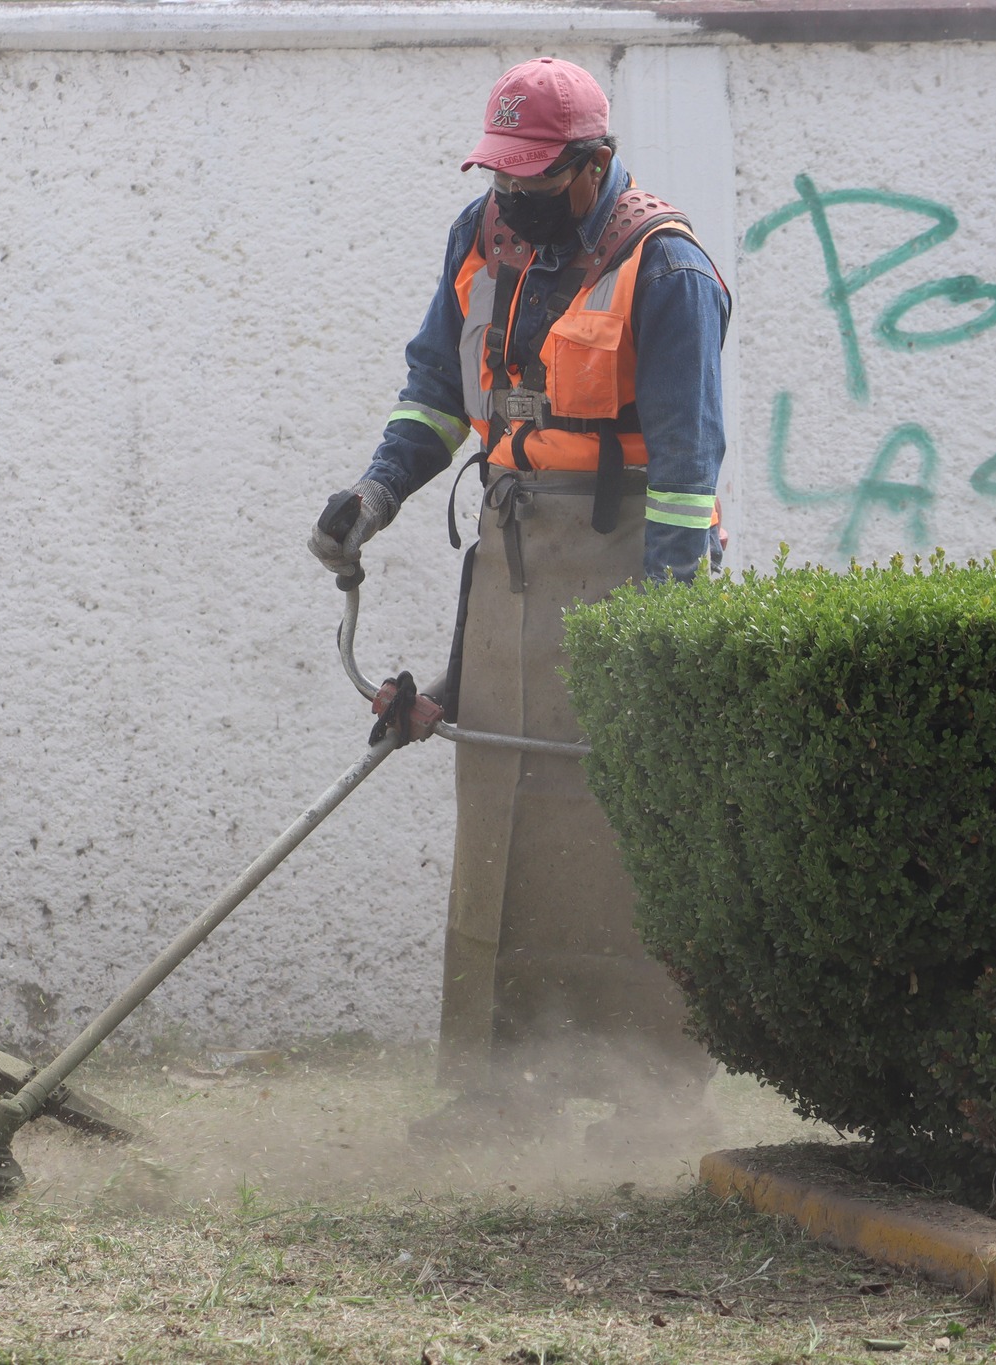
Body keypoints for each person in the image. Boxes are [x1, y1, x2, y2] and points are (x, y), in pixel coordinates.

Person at [308, 57, 730, 1145]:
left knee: (617, 825)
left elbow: (689, 470)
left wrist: (664, 630)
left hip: (624, 554)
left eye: (530, 177)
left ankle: (646, 1098)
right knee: (496, 811)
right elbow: (434, 392)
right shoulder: (479, 235)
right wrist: (375, 492)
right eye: (497, 173)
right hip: (506, 554)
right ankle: (493, 1091)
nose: (508, 198)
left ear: (589, 165)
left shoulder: (665, 269)